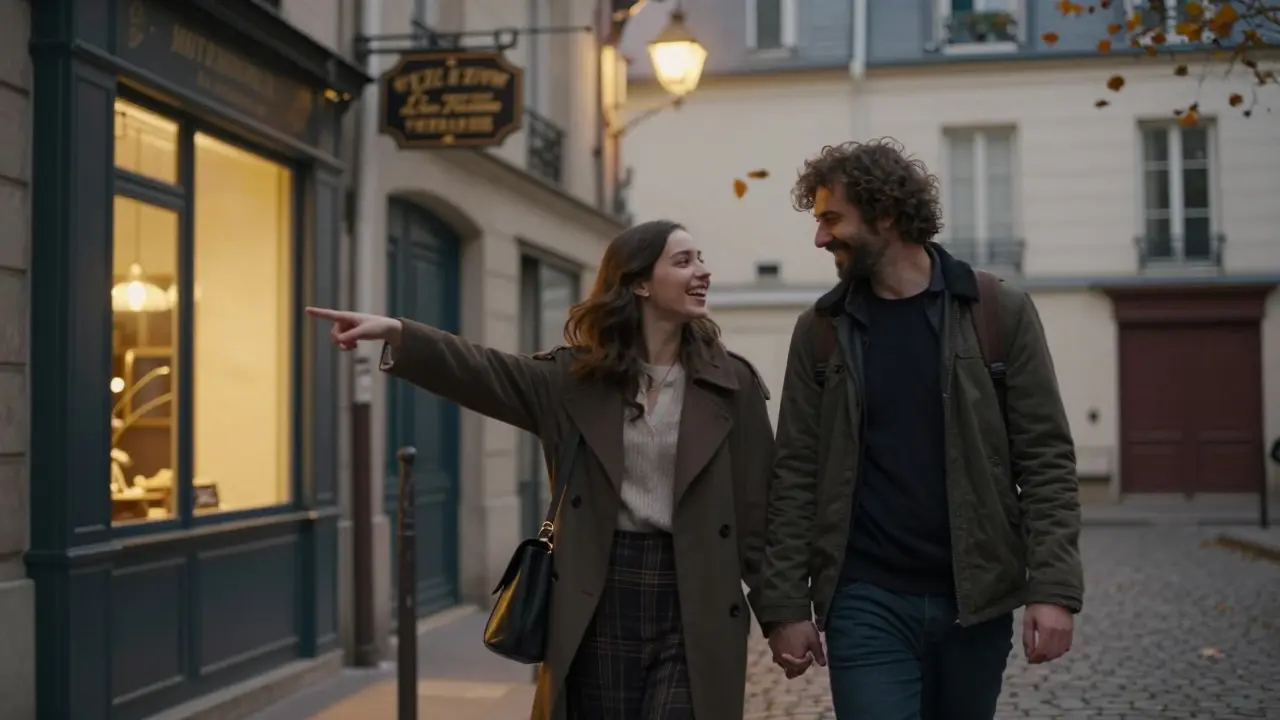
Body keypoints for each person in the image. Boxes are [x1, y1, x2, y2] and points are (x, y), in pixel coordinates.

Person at [307, 220, 775, 720]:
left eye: (700, 258)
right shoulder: (573, 381)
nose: (702, 271)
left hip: (694, 595)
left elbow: (760, 508)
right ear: (639, 283)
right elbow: (481, 370)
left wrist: (783, 615)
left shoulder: (732, 385)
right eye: (684, 261)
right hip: (595, 593)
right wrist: (400, 334)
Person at [754, 139, 1084, 720]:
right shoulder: (822, 332)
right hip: (864, 600)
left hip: (976, 602)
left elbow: (1046, 459)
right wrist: (784, 606)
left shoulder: (995, 312)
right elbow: (796, 472)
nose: (820, 238)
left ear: (885, 213)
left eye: (832, 219)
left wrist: (1053, 590)